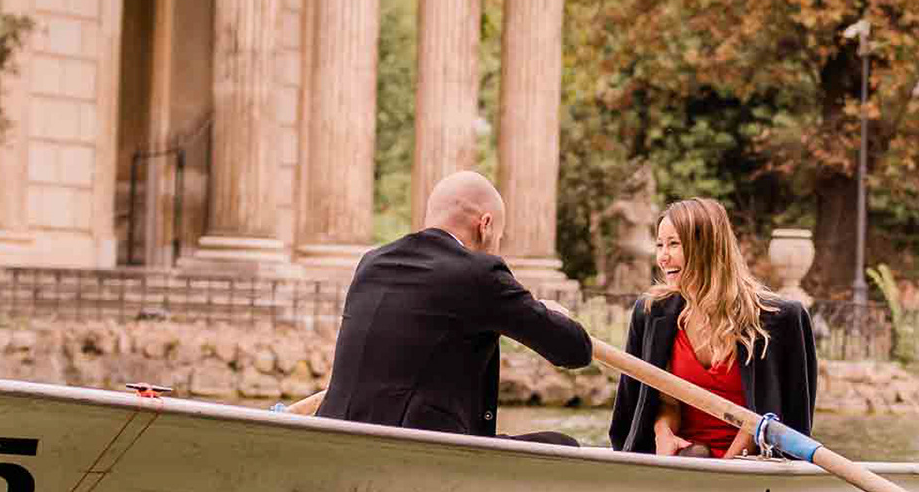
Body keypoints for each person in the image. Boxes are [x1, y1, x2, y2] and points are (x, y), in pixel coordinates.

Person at [316, 170, 592, 441]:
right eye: (499, 239)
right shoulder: (480, 273)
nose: (497, 248)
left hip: (336, 436)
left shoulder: (371, 263)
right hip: (419, 450)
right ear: (485, 225)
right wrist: (553, 315)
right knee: (563, 443)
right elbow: (574, 350)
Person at [606, 197, 817, 457]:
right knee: (696, 454)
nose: (663, 256)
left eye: (674, 244)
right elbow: (663, 401)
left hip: (749, 467)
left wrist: (725, 468)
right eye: (660, 244)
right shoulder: (652, 312)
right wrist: (664, 436)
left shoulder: (778, 319)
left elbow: (783, 416)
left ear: (705, 247)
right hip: (682, 460)